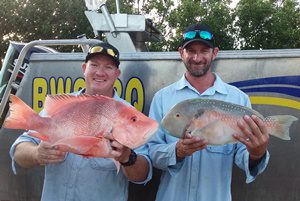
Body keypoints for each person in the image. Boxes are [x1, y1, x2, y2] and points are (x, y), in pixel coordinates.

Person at [10, 42, 151, 201]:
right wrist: (36, 153)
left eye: (108, 67)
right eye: (94, 65)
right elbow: (19, 151)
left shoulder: (129, 115)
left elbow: (143, 174)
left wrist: (127, 158)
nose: (100, 72)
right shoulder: (65, 106)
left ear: (117, 73)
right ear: (84, 69)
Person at [147, 24, 270, 201]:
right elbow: (152, 152)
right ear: (181, 53)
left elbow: (242, 154)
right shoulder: (162, 98)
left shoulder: (238, 98)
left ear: (215, 53)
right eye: (191, 51)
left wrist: (257, 153)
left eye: (204, 50)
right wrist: (177, 151)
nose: (197, 58)